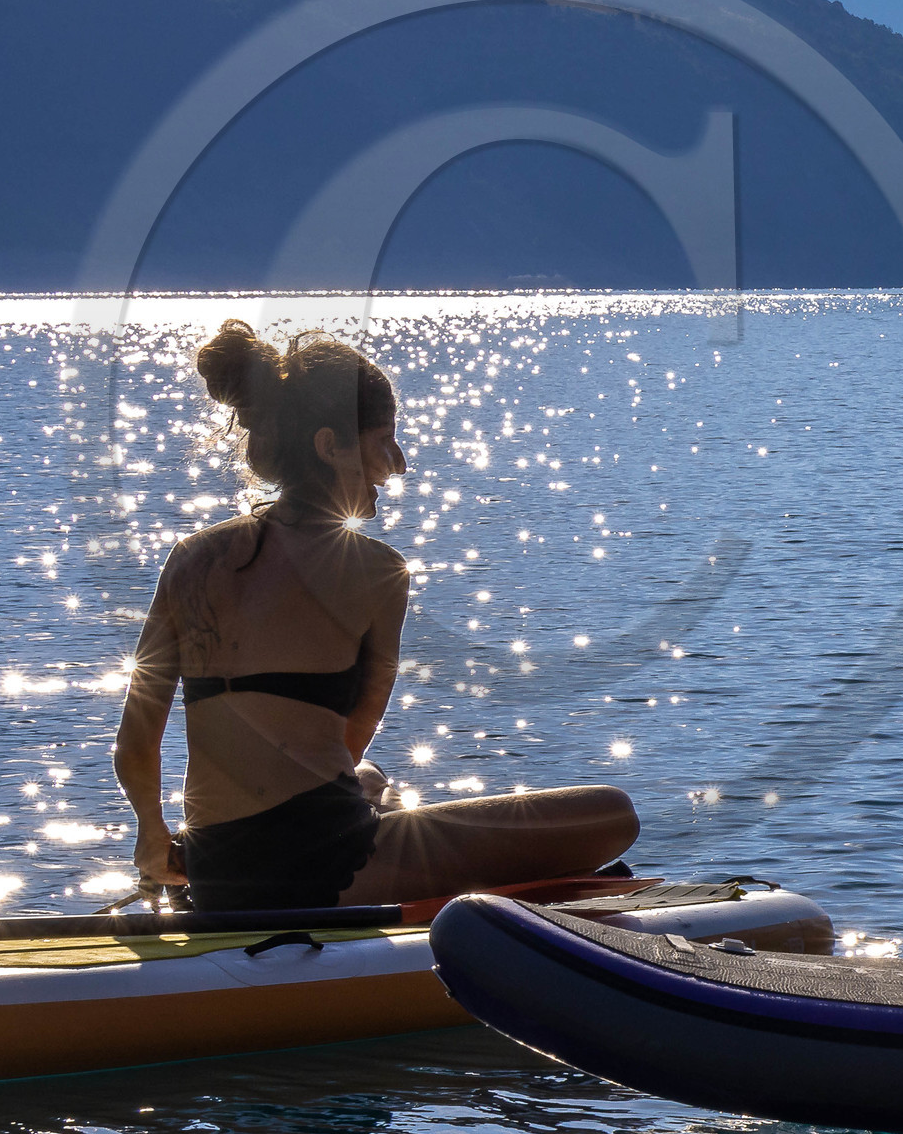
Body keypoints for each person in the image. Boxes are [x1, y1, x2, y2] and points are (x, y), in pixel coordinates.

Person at [113, 320, 638, 913]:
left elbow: (135, 744)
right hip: (330, 871)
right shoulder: (378, 573)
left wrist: (152, 836)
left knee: (371, 780)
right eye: (384, 440)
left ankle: (371, 814)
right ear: (329, 445)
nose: (400, 462)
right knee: (614, 813)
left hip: (217, 869)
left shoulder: (189, 560)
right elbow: (351, 733)